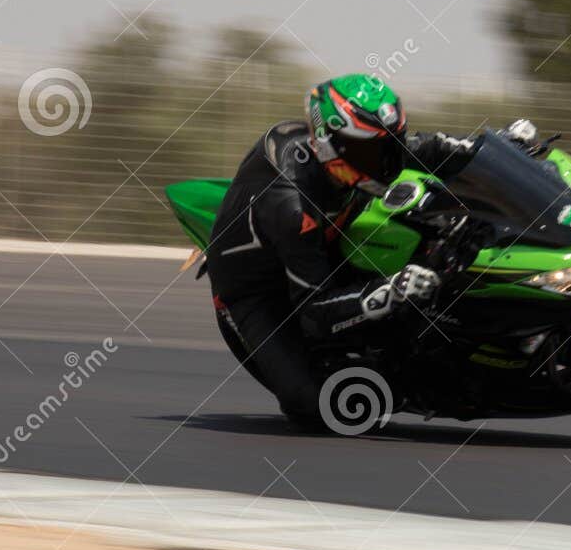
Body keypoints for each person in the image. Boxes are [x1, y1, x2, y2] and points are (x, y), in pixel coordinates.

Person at [203, 73, 536, 425]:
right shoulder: (293, 208)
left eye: (390, 145)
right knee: (317, 406)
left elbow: (426, 148)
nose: (387, 162)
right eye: (372, 152)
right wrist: (391, 290)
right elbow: (314, 311)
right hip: (259, 292)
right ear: (330, 145)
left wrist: (496, 148)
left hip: (329, 240)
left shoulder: (359, 152)